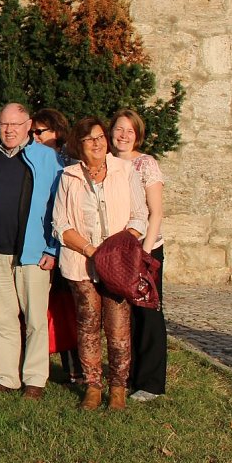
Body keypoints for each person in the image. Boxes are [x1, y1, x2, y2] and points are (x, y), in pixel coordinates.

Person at [52, 117, 147, 410]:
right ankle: (93, 387)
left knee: (118, 329)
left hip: (118, 265)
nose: (97, 143)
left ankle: (118, 388)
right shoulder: (69, 176)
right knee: (88, 325)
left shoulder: (125, 170)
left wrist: (117, 247)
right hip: (82, 263)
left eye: (100, 137)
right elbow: (60, 223)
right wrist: (92, 250)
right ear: (78, 146)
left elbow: (140, 215)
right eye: (89, 139)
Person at [0, 103, 63, 400]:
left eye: (15, 124)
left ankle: (35, 378)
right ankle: (7, 377)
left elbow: (58, 205)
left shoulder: (46, 158)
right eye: (3, 124)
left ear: (28, 125)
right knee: (4, 318)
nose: (9, 130)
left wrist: (52, 247)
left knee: (35, 318)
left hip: (32, 253)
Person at [110, 108, 167, 402]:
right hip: (116, 250)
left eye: (129, 131)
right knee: (122, 314)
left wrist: (144, 255)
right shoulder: (105, 162)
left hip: (145, 248)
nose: (123, 136)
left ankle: (151, 382)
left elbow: (155, 212)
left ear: (137, 135)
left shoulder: (146, 164)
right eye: (119, 129)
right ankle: (126, 376)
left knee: (148, 313)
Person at [32, 108, 83, 384]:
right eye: (33, 133)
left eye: (40, 132)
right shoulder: (34, 160)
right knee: (53, 308)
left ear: (57, 133)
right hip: (45, 241)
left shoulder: (71, 162)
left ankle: (79, 368)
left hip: (71, 243)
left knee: (71, 309)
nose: (35, 137)